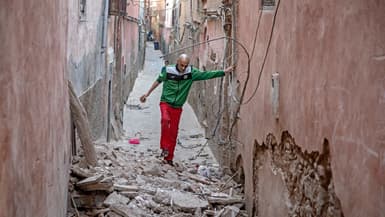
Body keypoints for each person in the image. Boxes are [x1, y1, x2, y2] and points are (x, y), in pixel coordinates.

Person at [140, 54, 234, 165]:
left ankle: (169, 158)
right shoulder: (167, 70)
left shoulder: (191, 73)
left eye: (185, 66)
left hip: (178, 107)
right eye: (181, 65)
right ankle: (164, 147)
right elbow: (158, 81)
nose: (183, 68)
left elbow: (206, 75)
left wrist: (223, 72)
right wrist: (147, 94)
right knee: (165, 120)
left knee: (174, 132)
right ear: (177, 62)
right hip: (165, 102)